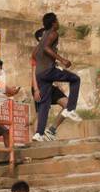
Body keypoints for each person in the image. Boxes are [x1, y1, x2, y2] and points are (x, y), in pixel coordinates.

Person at [34, 12, 82, 140]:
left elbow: (37, 53)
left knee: (44, 104)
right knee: (75, 79)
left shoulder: (43, 37)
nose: (59, 23)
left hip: (39, 74)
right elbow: (46, 48)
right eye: (57, 20)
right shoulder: (53, 33)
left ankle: (39, 134)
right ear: (54, 23)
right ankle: (70, 108)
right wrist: (62, 60)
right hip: (47, 71)